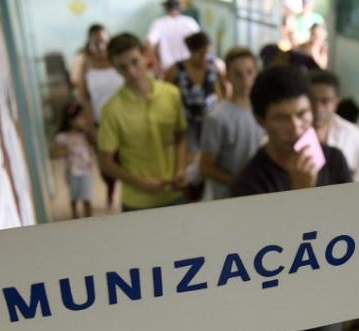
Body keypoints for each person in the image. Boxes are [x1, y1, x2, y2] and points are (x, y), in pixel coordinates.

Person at [231, 65, 351, 331]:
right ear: (260, 120)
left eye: (302, 114)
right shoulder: (250, 182)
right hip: (274, 303)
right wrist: (302, 194)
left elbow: (346, 228)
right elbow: (264, 259)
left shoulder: (334, 160)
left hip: (325, 292)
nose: (297, 127)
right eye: (281, 118)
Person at [97, 33, 187, 211]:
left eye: (134, 62)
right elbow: (106, 163)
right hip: (137, 201)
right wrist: (141, 183)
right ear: (115, 69)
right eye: (122, 67)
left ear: (146, 57)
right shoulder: (111, 109)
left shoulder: (172, 94)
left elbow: (180, 137)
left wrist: (180, 170)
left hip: (174, 192)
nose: (131, 71)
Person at [165, 31, 226, 200]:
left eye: (208, 52)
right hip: (187, 124)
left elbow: (223, 91)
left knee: (209, 162)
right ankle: (188, 196)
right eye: (201, 53)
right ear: (191, 51)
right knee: (188, 166)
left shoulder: (213, 67)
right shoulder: (177, 70)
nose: (205, 56)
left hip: (210, 123)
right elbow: (165, 95)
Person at [199, 46, 263, 200]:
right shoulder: (217, 117)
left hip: (261, 193)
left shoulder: (265, 111)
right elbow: (206, 167)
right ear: (227, 76)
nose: (245, 80)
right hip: (227, 198)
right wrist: (241, 183)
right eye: (238, 74)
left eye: (249, 72)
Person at [76, 23, 123, 209]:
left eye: (104, 40)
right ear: (89, 43)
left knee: (129, 161)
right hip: (100, 123)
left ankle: (128, 196)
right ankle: (111, 192)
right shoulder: (86, 64)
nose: (101, 45)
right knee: (107, 166)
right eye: (96, 42)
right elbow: (84, 98)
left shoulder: (118, 59)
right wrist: (90, 126)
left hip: (124, 121)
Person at [309, 70, 359, 182]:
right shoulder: (288, 134)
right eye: (312, 100)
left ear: (336, 102)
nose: (318, 108)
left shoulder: (356, 139)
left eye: (325, 101)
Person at [55, 101, 95, 219]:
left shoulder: (85, 135)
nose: (85, 121)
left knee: (87, 197)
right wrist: (63, 151)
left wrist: (89, 128)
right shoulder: (63, 137)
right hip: (72, 172)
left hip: (86, 170)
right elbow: (54, 152)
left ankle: (89, 217)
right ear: (71, 120)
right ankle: (75, 216)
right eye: (81, 118)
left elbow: (95, 142)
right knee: (74, 197)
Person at [147, 0, 201, 75]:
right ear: (181, 8)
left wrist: (156, 66)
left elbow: (149, 44)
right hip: (188, 68)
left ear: (165, 8)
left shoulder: (159, 24)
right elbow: (201, 42)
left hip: (167, 69)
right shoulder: (190, 22)